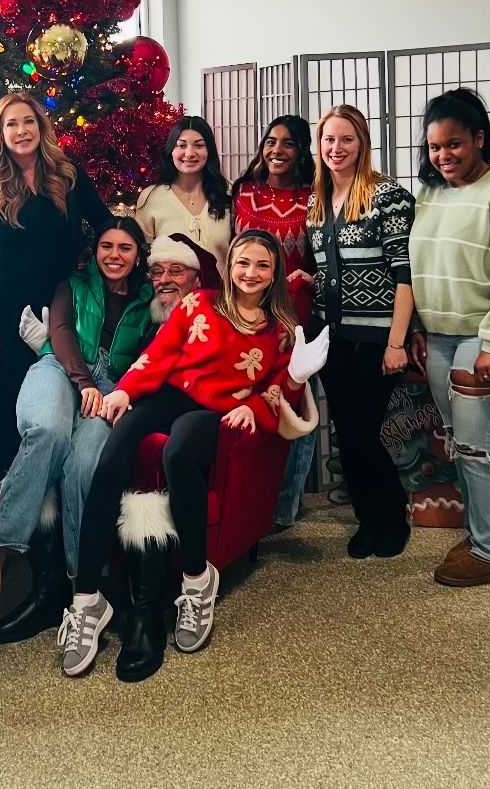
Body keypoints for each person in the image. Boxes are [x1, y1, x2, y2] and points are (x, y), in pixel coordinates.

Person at [57, 230, 328, 676]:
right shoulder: (198, 304)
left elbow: (282, 391)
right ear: (229, 266)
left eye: (262, 265)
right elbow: (158, 356)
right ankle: (87, 600)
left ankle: (198, 580)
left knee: (179, 453)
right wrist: (125, 391)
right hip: (169, 394)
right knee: (112, 458)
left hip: (215, 412)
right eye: (243, 263)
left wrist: (258, 405)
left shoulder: (280, 331)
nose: (251, 273)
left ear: (275, 272)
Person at [0, 219, 156, 643]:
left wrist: (117, 392)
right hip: (60, 367)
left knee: (83, 467)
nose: (114, 255)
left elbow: (152, 356)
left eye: (125, 247)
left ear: (138, 255)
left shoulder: (149, 298)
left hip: (113, 389)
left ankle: (83, 588)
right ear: (95, 250)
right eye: (107, 245)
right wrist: (84, 382)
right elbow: (60, 333)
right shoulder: (72, 285)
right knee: (47, 431)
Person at [408, 89, 490, 587]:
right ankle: (481, 533)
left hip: (489, 338)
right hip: (440, 337)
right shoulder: (430, 194)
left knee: (479, 446)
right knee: (462, 443)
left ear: (479, 139)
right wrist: (417, 326)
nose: (443, 156)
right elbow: (419, 267)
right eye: (434, 147)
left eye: (454, 144)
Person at [0, 93, 113, 482]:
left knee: (53, 392)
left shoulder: (69, 176)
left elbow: (105, 224)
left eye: (28, 121)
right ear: (0, 132)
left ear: (40, 127)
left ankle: (52, 479)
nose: (21, 130)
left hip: (56, 307)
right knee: (4, 394)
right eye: (11, 124)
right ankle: (6, 478)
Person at [307, 104, 416, 560]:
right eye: (329, 139)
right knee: (347, 433)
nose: (336, 148)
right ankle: (368, 518)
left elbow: (406, 273)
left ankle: (392, 516)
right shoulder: (316, 202)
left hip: (376, 337)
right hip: (332, 337)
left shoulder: (387, 195)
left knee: (364, 432)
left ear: (362, 143)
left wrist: (397, 342)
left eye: (346, 139)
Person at [231, 114, 316, 529]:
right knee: (252, 402)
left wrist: (309, 278)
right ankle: (252, 500)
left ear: (301, 151)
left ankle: (285, 506)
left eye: (288, 143)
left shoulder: (314, 198)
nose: (276, 150)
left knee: (296, 402)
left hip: (297, 316)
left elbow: (322, 256)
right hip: (247, 316)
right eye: (270, 141)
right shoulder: (242, 192)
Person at [135, 115, 231, 283]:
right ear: (171, 150)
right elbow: (143, 258)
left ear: (209, 150)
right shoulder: (151, 197)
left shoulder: (228, 191)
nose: (189, 153)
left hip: (222, 296)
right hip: (171, 296)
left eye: (199, 145)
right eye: (181, 145)